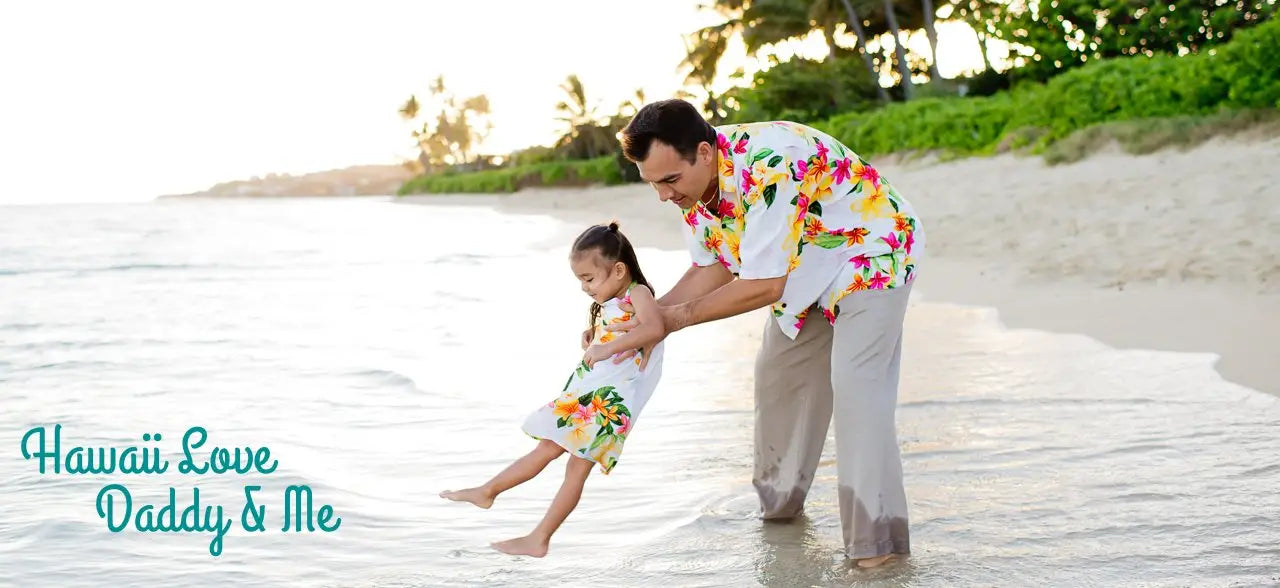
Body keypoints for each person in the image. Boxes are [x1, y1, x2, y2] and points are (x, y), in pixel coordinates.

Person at [606, 99, 924, 568]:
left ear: (705, 152)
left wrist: (670, 322)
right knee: (776, 382)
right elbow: (710, 267)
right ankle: (779, 521)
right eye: (653, 183)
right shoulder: (689, 189)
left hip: (874, 251)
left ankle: (878, 554)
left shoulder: (768, 163)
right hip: (803, 268)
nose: (664, 195)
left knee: (858, 394)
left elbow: (762, 286)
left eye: (670, 181)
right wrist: (639, 320)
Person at [439, 222, 666, 558]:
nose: (585, 288)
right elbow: (620, 330)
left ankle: (539, 536)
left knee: (575, 469)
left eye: (589, 279)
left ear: (619, 270)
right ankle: (490, 491)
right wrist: (595, 334)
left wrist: (604, 349)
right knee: (547, 447)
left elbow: (655, 327)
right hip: (591, 391)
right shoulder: (615, 299)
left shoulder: (639, 293)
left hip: (610, 400)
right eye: (581, 281)